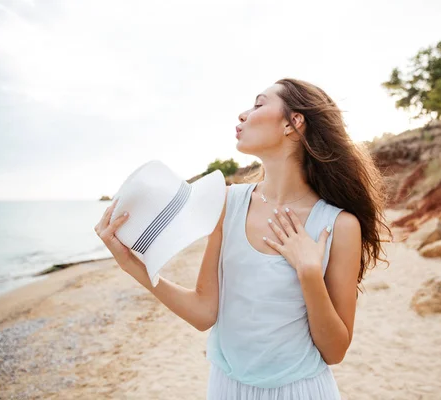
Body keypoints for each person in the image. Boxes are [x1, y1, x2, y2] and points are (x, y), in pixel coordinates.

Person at [96, 77, 392, 399]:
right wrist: (132, 264)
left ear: (293, 123)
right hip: (227, 388)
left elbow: (335, 351)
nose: (243, 114)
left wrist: (309, 274)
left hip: (302, 390)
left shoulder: (339, 225)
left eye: (259, 104)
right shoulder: (228, 203)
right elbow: (203, 313)